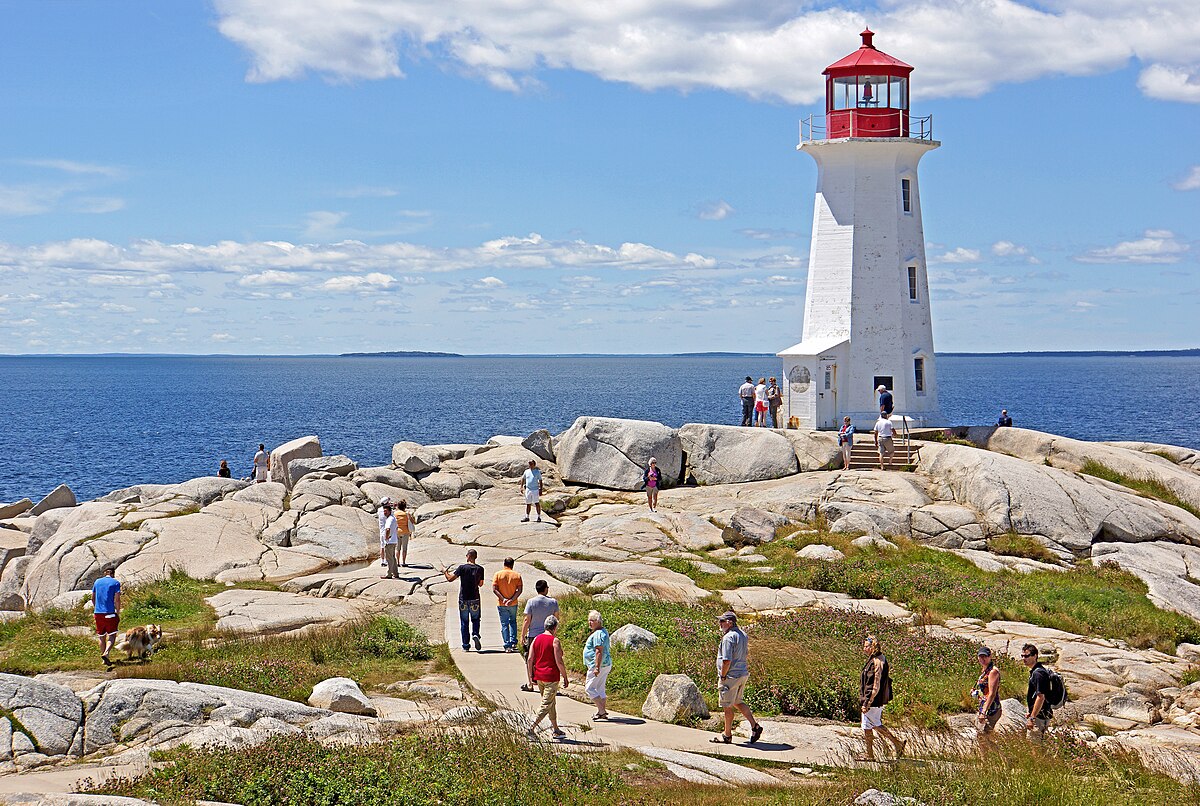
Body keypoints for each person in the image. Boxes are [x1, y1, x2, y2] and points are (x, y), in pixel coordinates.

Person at [711, 611, 763, 744]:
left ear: (730, 622)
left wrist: (723, 675)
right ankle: (754, 726)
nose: (720, 624)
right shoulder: (743, 635)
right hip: (742, 674)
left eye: (722, 621)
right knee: (737, 701)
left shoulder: (728, 637)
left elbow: (726, 660)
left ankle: (727, 735)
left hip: (730, 676)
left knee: (727, 706)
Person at [857, 635, 904, 761]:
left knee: (869, 726)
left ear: (872, 647)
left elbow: (874, 685)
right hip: (877, 699)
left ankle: (871, 754)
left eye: (866, 646)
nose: (864, 649)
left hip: (874, 700)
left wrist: (867, 702)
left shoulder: (876, 662)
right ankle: (896, 744)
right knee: (873, 724)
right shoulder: (879, 658)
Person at [526, 614, 569, 740]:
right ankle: (531, 728)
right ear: (555, 628)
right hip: (551, 677)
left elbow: (530, 659)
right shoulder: (555, 641)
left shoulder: (536, 639)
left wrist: (530, 678)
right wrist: (565, 677)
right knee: (546, 704)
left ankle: (556, 729)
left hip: (539, 677)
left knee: (551, 703)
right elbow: (559, 661)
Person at [443, 549, 484, 651]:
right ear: (475, 557)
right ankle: (475, 634)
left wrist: (445, 572)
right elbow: (481, 584)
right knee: (475, 619)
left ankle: (466, 645)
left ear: (468, 556)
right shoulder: (480, 569)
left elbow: (450, 579)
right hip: (475, 598)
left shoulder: (462, 568)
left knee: (464, 622)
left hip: (463, 599)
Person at [583, 610, 612, 720]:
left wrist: (596, 667)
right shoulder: (603, 631)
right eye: (589, 620)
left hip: (598, 665)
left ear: (598, 621)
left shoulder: (598, 634)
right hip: (605, 664)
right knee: (600, 688)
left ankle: (602, 710)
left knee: (589, 688)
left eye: (592, 621)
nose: (589, 623)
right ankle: (601, 713)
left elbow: (598, 651)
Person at [521, 579, 559, 660]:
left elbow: (527, 620)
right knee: (547, 659)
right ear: (546, 589)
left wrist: (523, 635)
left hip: (533, 635)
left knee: (532, 659)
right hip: (548, 635)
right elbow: (556, 619)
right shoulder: (553, 602)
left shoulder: (531, 602)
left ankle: (532, 673)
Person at [92, 567, 122, 668]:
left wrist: (96, 607)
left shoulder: (97, 582)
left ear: (105, 573)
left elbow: (93, 597)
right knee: (112, 635)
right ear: (113, 574)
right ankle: (106, 652)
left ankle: (104, 661)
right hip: (110, 612)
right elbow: (117, 599)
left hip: (98, 613)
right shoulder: (115, 583)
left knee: (101, 636)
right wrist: (118, 611)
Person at [1022, 643, 1053, 740]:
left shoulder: (1038, 674)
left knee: (1034, 748)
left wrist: (1032, 717)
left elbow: (1040, 697)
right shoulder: (1038, 671)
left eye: (1027, 656)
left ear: (1035, 656)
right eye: (1022, 656)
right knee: (1039, 745)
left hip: (1039, 717)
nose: (1024, 658)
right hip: (1043, 714)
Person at [493, 558, 524, 653]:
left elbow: (495, 589)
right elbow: (519, 590)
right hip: (513, 604)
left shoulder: (498, 574)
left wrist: (504, 599)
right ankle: (513, 642)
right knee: (513, 622)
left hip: (502, 604)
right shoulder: (517, 575)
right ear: (512, 564)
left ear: (504, 564)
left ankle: (507, 645)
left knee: (504, 624)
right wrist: (512, 599)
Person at [973, 646, 1003, 736]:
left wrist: (983, 712)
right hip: (985, 706)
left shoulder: (993, 671)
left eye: (985, 656)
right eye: (980, 656)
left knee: (984, 736)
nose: (982, 659)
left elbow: (992, 694)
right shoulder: (986, 669)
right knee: (982, 736)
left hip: (991, 708)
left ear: (990, 657)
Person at [379, 503, 400, 580]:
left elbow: (388, 529)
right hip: (394, 540)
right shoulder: (393, 518)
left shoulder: (389, 519)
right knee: (393, 558)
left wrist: (386, 537)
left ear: (390, 511)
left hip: (390, 542)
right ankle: (395, 573)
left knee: (389, 559)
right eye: (384, 511)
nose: (385, 513)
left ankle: (389, 574)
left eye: (386, 511)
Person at [394, 499, 412, 567]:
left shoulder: (395, 514)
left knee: (397, 548)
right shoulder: (406, 514)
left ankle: (398, 562)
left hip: (397, 531)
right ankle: (404, 562)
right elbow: (413, 521)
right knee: (404, 548)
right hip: (405, 532)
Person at [377, 496, 392, 567]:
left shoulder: (379, 510)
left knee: (382, 546)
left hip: (381, 530)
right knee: (388, 546)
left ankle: (382, 561)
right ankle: (387, 560)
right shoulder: (389, 511)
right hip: (387, 530)